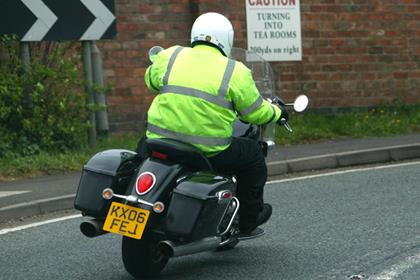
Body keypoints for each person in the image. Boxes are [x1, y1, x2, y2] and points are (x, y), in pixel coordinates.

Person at [143, 12, 288, 237]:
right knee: (252, 156)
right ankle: (249, 220)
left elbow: (150, 80)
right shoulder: (235, 71)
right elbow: (255, 112)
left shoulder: (171, 55)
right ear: (227, 39)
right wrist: (278, 113)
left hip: (158, 142)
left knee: (139, 155)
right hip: (207, 152)